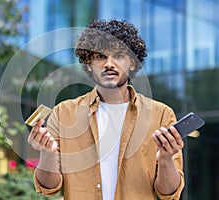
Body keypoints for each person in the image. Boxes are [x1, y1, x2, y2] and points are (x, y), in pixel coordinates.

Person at [27, 19, 185, 200]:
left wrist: (165, 159)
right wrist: (47, 153)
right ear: (88, 63)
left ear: (132, 63)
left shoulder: (161, 115)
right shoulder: (63, 113)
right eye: (101, 56)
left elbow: (169, 193)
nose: (109, 64)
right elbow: (49, 188)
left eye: (118, 56)